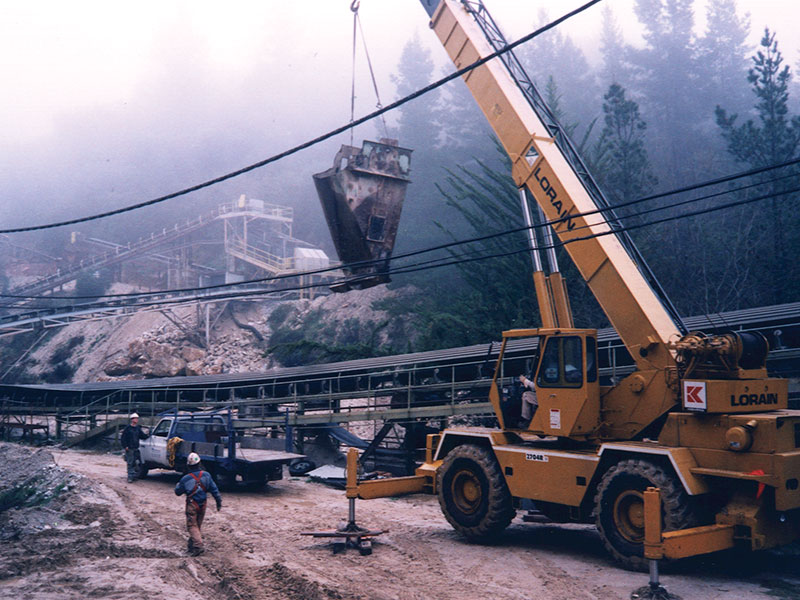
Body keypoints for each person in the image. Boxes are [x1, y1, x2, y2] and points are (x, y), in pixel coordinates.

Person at [175, 452, 222, 556]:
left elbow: (177, 492)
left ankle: (198, 546)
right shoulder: (206, 475)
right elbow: (214, 490)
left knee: (192, 526)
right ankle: (191, 545)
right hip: (203, 504)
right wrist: (218, 502)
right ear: (199, 463)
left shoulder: (186, 479)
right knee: (197, 525)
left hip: (192, 504)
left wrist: (179, 484)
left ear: (188, 465)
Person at [120, 413, 149, 483]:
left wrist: (148, 435)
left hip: (136, 448)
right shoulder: (128, 428)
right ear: (132, 419)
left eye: (137, 418)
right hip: (129, 448)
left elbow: (142, 436)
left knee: (136, 462)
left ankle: (133, 475)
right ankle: (130, 477)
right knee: (130, 463)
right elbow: (123, 438)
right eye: (135, 418)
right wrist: (125, 446)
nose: (136, 420)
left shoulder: (138, 428)